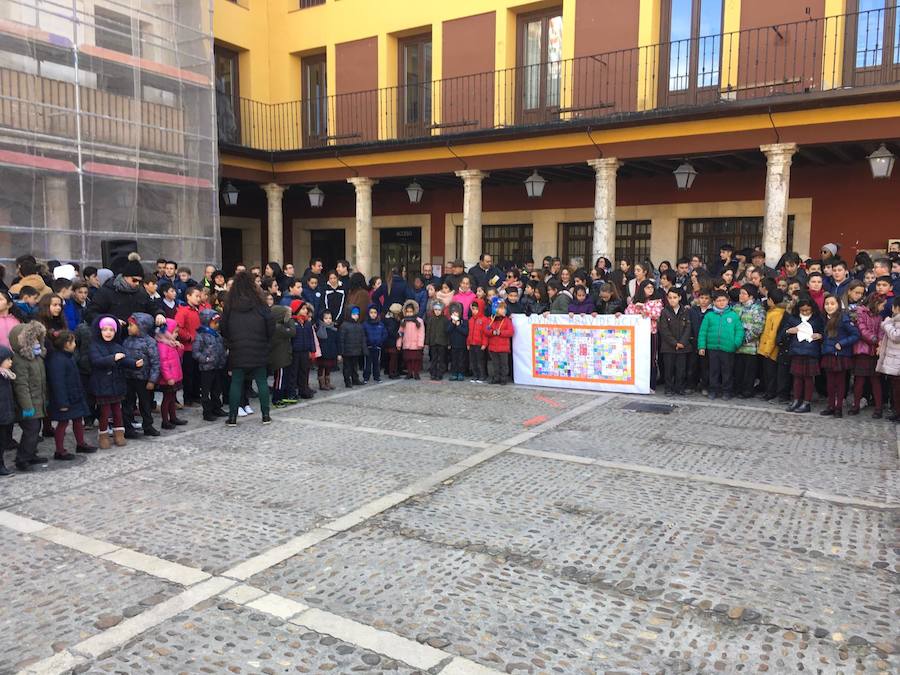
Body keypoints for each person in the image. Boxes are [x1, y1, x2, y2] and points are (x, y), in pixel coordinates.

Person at [220, 272, 275, 427]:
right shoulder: (260, 304)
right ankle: (265, 416)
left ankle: (232, 418)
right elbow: (270, 326)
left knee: (236, 382)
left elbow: (223, 327)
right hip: (259, 347)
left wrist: (231, 342)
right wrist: (265, 341)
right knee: (262, 382)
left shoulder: (230, 305)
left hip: (237, 349)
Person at [90, 316, 142, 447]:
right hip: (103, 384)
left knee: (117, 411)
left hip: (116, 383)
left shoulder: (117, 346)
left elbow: (124, 360)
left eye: (111, 330)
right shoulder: (95, 346)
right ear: (99, 330)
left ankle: (119, 434)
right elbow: (97, 361)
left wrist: (135, 364)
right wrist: (113, 358)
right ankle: (103, 436)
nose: (108, 332)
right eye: (105, 329)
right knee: (105, 412)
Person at [46, 330, 96, 460]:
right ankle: (59, 450)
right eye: (72, 342)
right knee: (62, 423)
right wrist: (62, 403)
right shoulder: (57, 360)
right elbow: (58, 383)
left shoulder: (68, 357)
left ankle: (80, 443)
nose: (75, 344)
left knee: (78, 420)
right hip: (65, 398)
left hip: (74, 396)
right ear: (66, 344)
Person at [84, 258, 164, 326]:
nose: (137, 284)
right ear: (124, 277)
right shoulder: (106, 291)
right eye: (134, 280)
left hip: (134, 336)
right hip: (112, 337)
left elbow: (152, 307)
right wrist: (111, 321)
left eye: (140, 281)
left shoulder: (141, 292)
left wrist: (159, 314)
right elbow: (90, 314)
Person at [697, 290, 744, 400]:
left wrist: (735, 343)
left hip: (728, 348)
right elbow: (703, 332)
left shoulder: (733, 315)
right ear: (714, 302)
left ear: (728, 301)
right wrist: (701, 346)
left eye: (723, 300)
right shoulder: (709, 315)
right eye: (718, 301)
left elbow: (739, 331)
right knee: (713, 370)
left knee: (727, 371)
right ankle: (713, 390)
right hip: (712, 348)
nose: (721, 303)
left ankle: (727, 391)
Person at [782, 296, 825, 413]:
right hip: (796, 350)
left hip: (811, 351)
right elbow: (783, 332)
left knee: (808, 378)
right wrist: (788, 331)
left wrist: (820, 336)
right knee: (797, 377)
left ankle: (807, 402)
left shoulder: (817, 319)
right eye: (803, 310)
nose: (805, 312)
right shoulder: (793, 318)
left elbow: (824, 332)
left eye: (808, 310)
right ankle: (796, 400)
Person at [819, 294, 859, 418]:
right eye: (827, 304)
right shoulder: (824, 318)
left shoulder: (843, 318)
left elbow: (855, 334)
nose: (829, 306)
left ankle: (838, 407)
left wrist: (842, 343)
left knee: (840, 382)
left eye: (832, 304)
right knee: (830, 382)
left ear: (838, 305)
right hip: (828, 353)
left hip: (840, 355)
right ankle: (830, 405)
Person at [122, 313, 161, 438]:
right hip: (128, 377)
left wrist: (152, 380)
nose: (128, 328)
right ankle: (128, 428)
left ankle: (148, 426)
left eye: (131, 325)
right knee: (127, 404)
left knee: (145, 404)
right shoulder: (126, 341)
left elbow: (155, 362)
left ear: (141, 326)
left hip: (143, 378)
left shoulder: (150, 342)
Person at [851, 294, 885, 417]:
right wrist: (876, 340)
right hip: (863, 351)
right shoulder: (860, 314)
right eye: (882, 305)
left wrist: (880, 343)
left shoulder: (879, 317)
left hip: (874, 352)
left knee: (875, 380)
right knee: (859, 380)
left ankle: (878, 407)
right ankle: (855, 405)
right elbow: (862, 330)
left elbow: (881, 331)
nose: (883, 308)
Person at [192, 309, 228, 421]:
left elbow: (221, 348)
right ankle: (207, 412)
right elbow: (196, 352)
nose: (217, 325)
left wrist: (223, 358)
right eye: (215, 323)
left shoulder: (217, 335)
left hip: (218, 366)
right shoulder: (200, 335)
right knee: (206, 391)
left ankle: (217, 407)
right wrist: (205, 359)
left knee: (217, 389)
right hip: (207, 367)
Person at [732, 284, 765, 398]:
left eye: (743, 293)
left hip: (750, 347)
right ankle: (737, 389)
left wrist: (744, 339)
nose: (740, 295)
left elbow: (758, 327)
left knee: (749, 371)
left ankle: (747, 391)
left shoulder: (758, 309)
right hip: (737, 346)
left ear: (751, 296)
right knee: (738, 370)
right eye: (740, 293)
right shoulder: (736, 307)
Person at [757, 289, 790, 403]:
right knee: (769, 373)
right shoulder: (775, 312)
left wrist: (767, 350)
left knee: (770, 373)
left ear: (771, 300)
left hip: (770, 350)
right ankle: (769, 392)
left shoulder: (775, 314)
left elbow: (772, 333)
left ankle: (770, 393)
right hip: (769, 348)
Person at [657, 287, 692, 396]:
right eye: (670, 297)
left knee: (681, 369)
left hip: (683, 346)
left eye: (675, 297)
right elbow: (664, 330)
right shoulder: (664, 312)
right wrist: (674, 343)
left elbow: (688, 328)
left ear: (680, 298)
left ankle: (679, 387)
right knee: (669, 369)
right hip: (668, 346)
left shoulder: (685, 311)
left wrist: (682, 342)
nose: (672, 300)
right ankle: (668, 388)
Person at [155, 319, 186, 430]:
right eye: (174, 332)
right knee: (167, 399)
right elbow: (163, 364)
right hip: (168, 378)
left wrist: (178, 347)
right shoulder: (162, 346)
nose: (176, 335)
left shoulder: (170, 344)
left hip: (174, 375)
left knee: (172, 398)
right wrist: (168, 377)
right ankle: (165, 420)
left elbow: (178, 357)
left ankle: (173, 417)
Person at [175, 287, 202, 406]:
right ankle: (188, 398)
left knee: (197, 373)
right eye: (196, 296)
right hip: (188, 348)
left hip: (198, 346)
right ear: (188, 297)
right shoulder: (183, 311)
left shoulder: (198, 310)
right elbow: (178, 327)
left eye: (199, 296)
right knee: (188, 374)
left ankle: (196, 395)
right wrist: (188, 337)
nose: (199, 298)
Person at [289, 301, 319, 398]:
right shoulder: (292, 322)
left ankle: (304, 390)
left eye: (306, 309)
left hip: (305, 351)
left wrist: (312, 350)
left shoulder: (307, 323)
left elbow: (311, 338)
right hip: (295, 351)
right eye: (303, 309)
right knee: (293, 372)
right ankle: (292, 392)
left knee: (304, 371)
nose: (305, 311)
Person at [876, 302, 900, 421]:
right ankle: (897, 412)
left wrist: (886, 324)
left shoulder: (896, 321)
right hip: (894, 359)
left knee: (897, 389)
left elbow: (896, 336)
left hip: (897, 361)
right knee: (895, 389)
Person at [269, 305, 297, 405]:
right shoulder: (278, 327)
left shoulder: (278, 326)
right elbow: (292, 332)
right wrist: (290, 320)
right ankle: (276, 398)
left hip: (283, 357)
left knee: (283, 378)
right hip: (279, 359)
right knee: (279, 380)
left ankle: (283, 395)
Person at [484, 301, 514, 385]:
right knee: (495, 364)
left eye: (504, 308)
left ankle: (503, 378)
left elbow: (511, 332)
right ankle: (496, 377)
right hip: (493, 347)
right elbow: (486, 330)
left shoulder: (507, 320)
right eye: (501, 308)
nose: (504, 310)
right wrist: (492, 332)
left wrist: (501, 333)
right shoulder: (491, 320)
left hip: (503, 347)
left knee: (504, 364)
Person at [339, 306, 366, 387]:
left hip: (356, 350)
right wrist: (340, 352)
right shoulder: (344, 326)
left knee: (355, 366)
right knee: (347, 367)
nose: (356, 316)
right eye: (354, 314)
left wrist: (363, 349)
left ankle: (355, 379)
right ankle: (347, 381)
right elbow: (341, 340)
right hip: (347, 351)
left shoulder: (359, 325)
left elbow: (362, 338)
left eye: (357, 314)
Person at [397, 300, 425, 379]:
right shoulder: (404, 321)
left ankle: (416, 372)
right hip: (407, 343)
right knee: (408, 359)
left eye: (411, 311)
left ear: (414, 311)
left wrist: (420, 343)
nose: (409, 313)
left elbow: (421, 333)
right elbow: (400, 332)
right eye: (408, 311)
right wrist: (399, 343)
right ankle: (409, 372)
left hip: (416, 344)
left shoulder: (419, 321)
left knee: (416, 359)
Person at [362, 304, 387, 383]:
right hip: (368, 347)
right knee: (367, 363)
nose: (373, 314)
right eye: (371, 312)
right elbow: (363, 335)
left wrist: (380, 341)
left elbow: (385, 334)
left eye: (375, 312)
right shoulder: (365, 324)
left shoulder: (381, 324)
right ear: (368, 313)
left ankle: (377, 377)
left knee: (376, 363)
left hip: (377, 347)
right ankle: (366, 377)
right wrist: (367, 341)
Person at [0, 345, 15, 475]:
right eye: (8, 359)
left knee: (3, 441)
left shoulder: (7, 375)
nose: (11, 362)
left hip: (5, 413)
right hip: (2, 414)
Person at [316, 310, 340, 390]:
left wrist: (338, 353)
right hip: (322, 352)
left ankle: (328, 382)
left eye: (330, 318)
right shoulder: (319, 329)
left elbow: (337, 341)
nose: (328, 320)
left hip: (331, 351)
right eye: (326, 318)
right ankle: (321, 383)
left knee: (328, 367)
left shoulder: (334, 329)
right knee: (321, 367)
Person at [426, 300, 449, 381]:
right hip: (433, 342)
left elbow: (447, 332)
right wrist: (427, 341)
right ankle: (433, 373)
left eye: (439, 310)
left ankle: (440, 373)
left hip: (442, 342)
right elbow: (428, 330)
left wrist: (448, 342)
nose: (437, 311)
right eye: (435, 310)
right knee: (434, 359)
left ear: (442, 310)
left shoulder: (445, 319)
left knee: (441, 359)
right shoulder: (431, 319)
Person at [467, 300, 489, 384]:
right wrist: (468, 343)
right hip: (472, 343)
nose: (474, 311)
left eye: (476, 309)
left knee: (481, 361)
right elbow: (469, 333)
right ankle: (475, 375)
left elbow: (485, 333)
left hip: (480, 344)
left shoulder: (484, 320)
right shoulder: (471, 320)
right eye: (473, 309)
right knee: (473, 361)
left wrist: (484, 343)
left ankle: (482, 375)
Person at [446, 301, 469, 381]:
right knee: (454, 360)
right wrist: (452, 324)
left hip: (462, 344)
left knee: (461, 360)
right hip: (453, 344)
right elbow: (447, 331)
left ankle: (461, 373)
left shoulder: (464, 322)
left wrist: (458, 326)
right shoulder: (450, 321)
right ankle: (454, 373)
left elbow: (465, 332)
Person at [383, 303, 402, 379]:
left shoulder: (387, 319)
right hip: (391, 342)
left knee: (390, 358)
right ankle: (392, 372)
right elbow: (391, 332)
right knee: (393, 358)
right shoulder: (392, 321)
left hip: (388, 342)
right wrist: (399, 335)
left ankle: (389, 370)